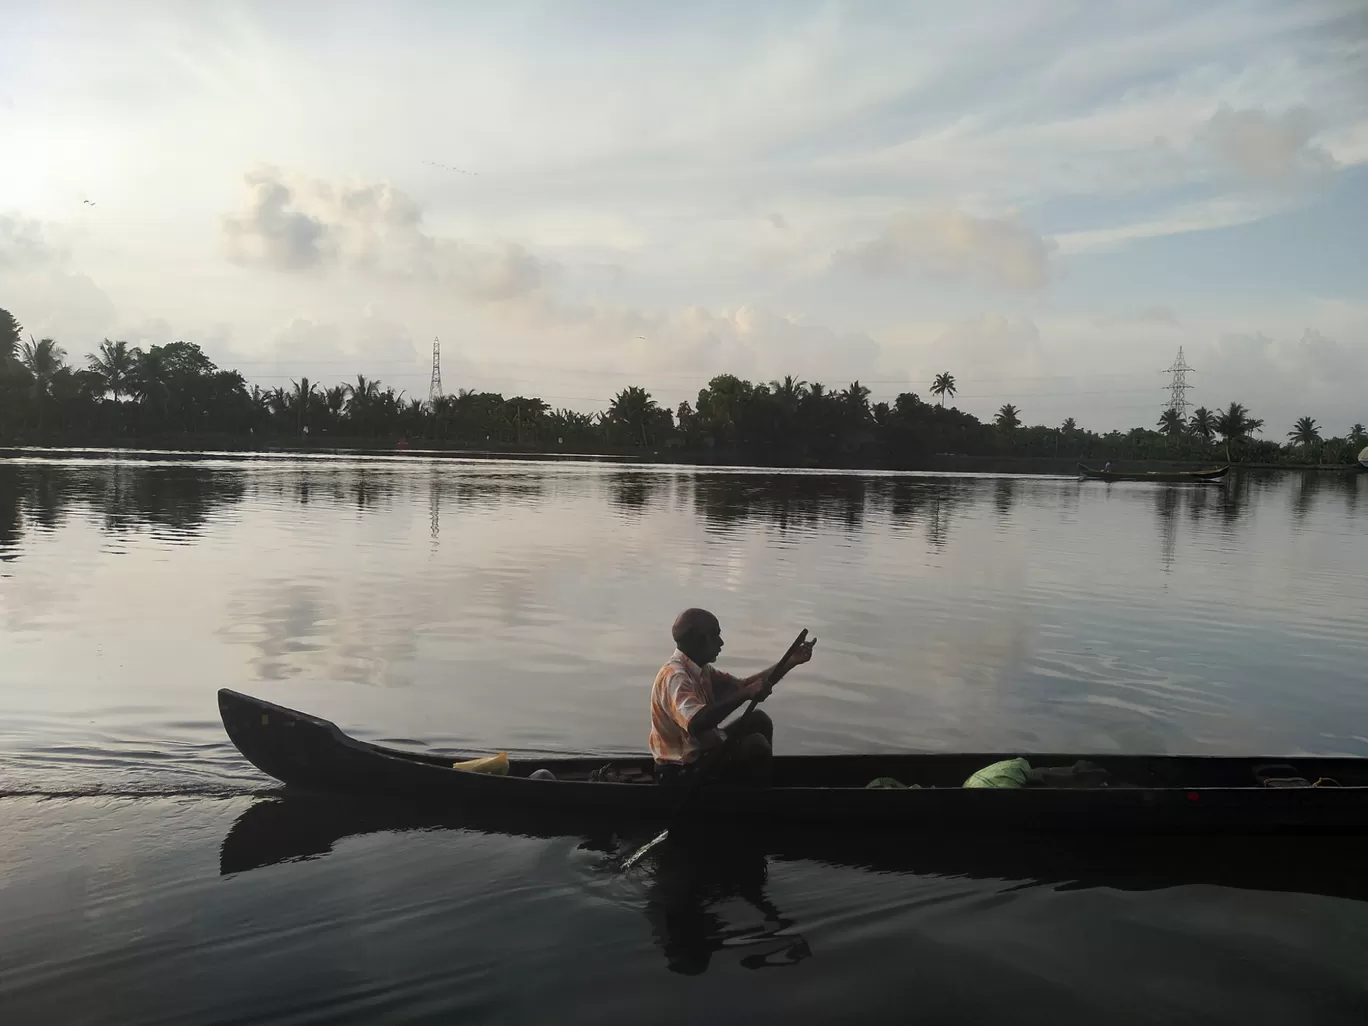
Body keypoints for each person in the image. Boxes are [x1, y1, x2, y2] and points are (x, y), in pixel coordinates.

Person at [650, 608, 815, 787]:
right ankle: (752, 801)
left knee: (759, 720)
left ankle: (758, 785)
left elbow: (744, 686)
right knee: (756, 746)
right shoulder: (676, 676)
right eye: (715, 636)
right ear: (698, 640)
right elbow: (696, 723)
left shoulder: (702, 670)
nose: (721, 643)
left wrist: (790, 662)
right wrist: (744, 694)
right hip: (680, 772)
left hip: (703, 755)